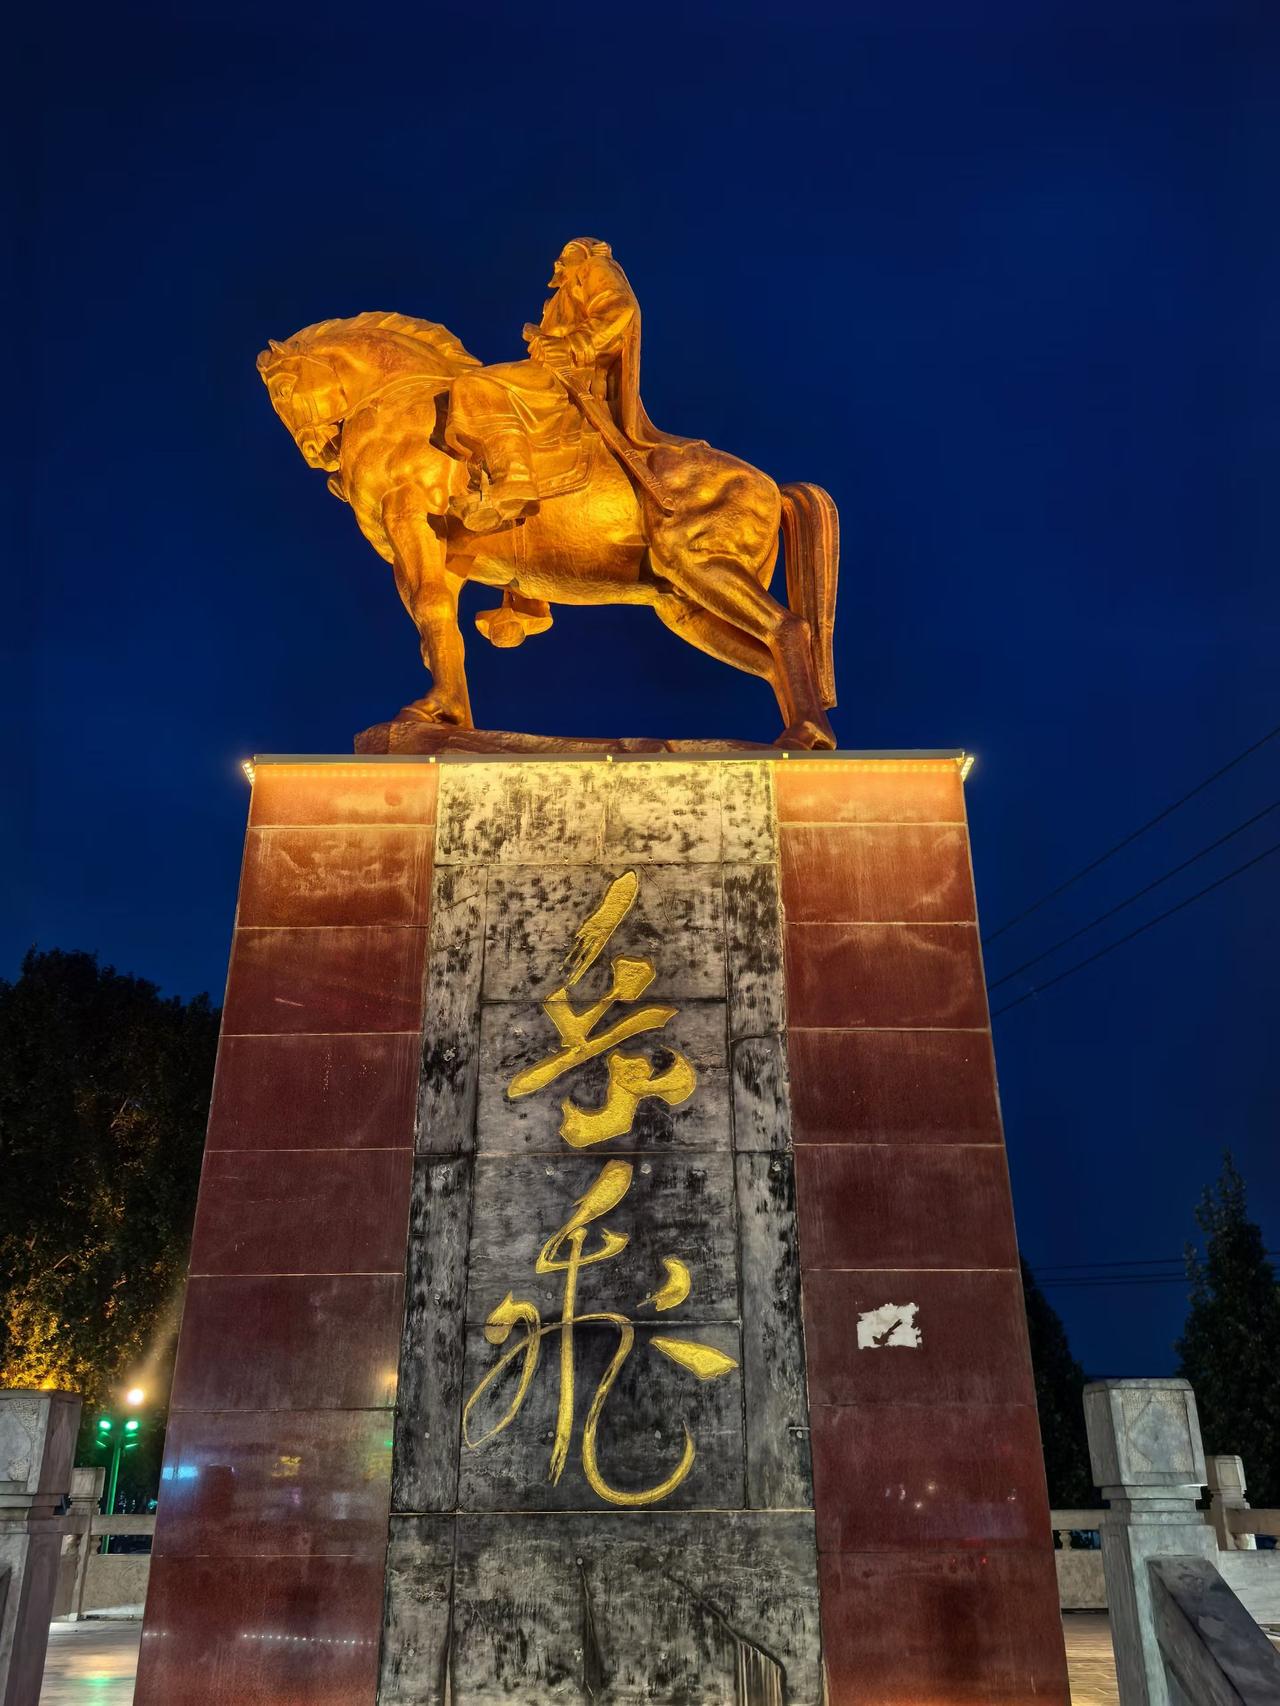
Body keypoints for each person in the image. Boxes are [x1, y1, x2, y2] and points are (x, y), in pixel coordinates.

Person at [445, 237, 682, 531]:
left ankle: (514, 478)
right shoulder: (559, 297)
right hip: (553, 370)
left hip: (569, 376)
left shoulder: (593, 267)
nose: (559, 262)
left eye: (569, 253)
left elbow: (620, 308)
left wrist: (572, 343)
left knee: (475, 385)